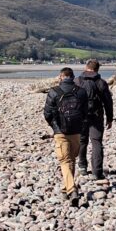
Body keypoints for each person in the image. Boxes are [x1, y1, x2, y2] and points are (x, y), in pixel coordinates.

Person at [43, 67, 88, 206]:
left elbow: (47, 113)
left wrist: (54, 127)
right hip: (76, 130)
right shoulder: (81, 92)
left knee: (64, 160)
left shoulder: (54, 91)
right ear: (73, 77)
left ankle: (71, 189)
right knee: (71, 159)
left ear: (61, 77)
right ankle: (66, 188)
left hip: (60, 132)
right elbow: (85, 112)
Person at [76, 59, 114, 181]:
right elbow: (108, 102)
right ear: (97, 69)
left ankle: (82, 166)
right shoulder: (101, 82)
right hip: (96, 115)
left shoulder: (77, 81)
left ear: (86, 67)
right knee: (96, 142)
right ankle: (97, 172)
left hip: (80, 116)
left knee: (82, 141)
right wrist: (109, 117)